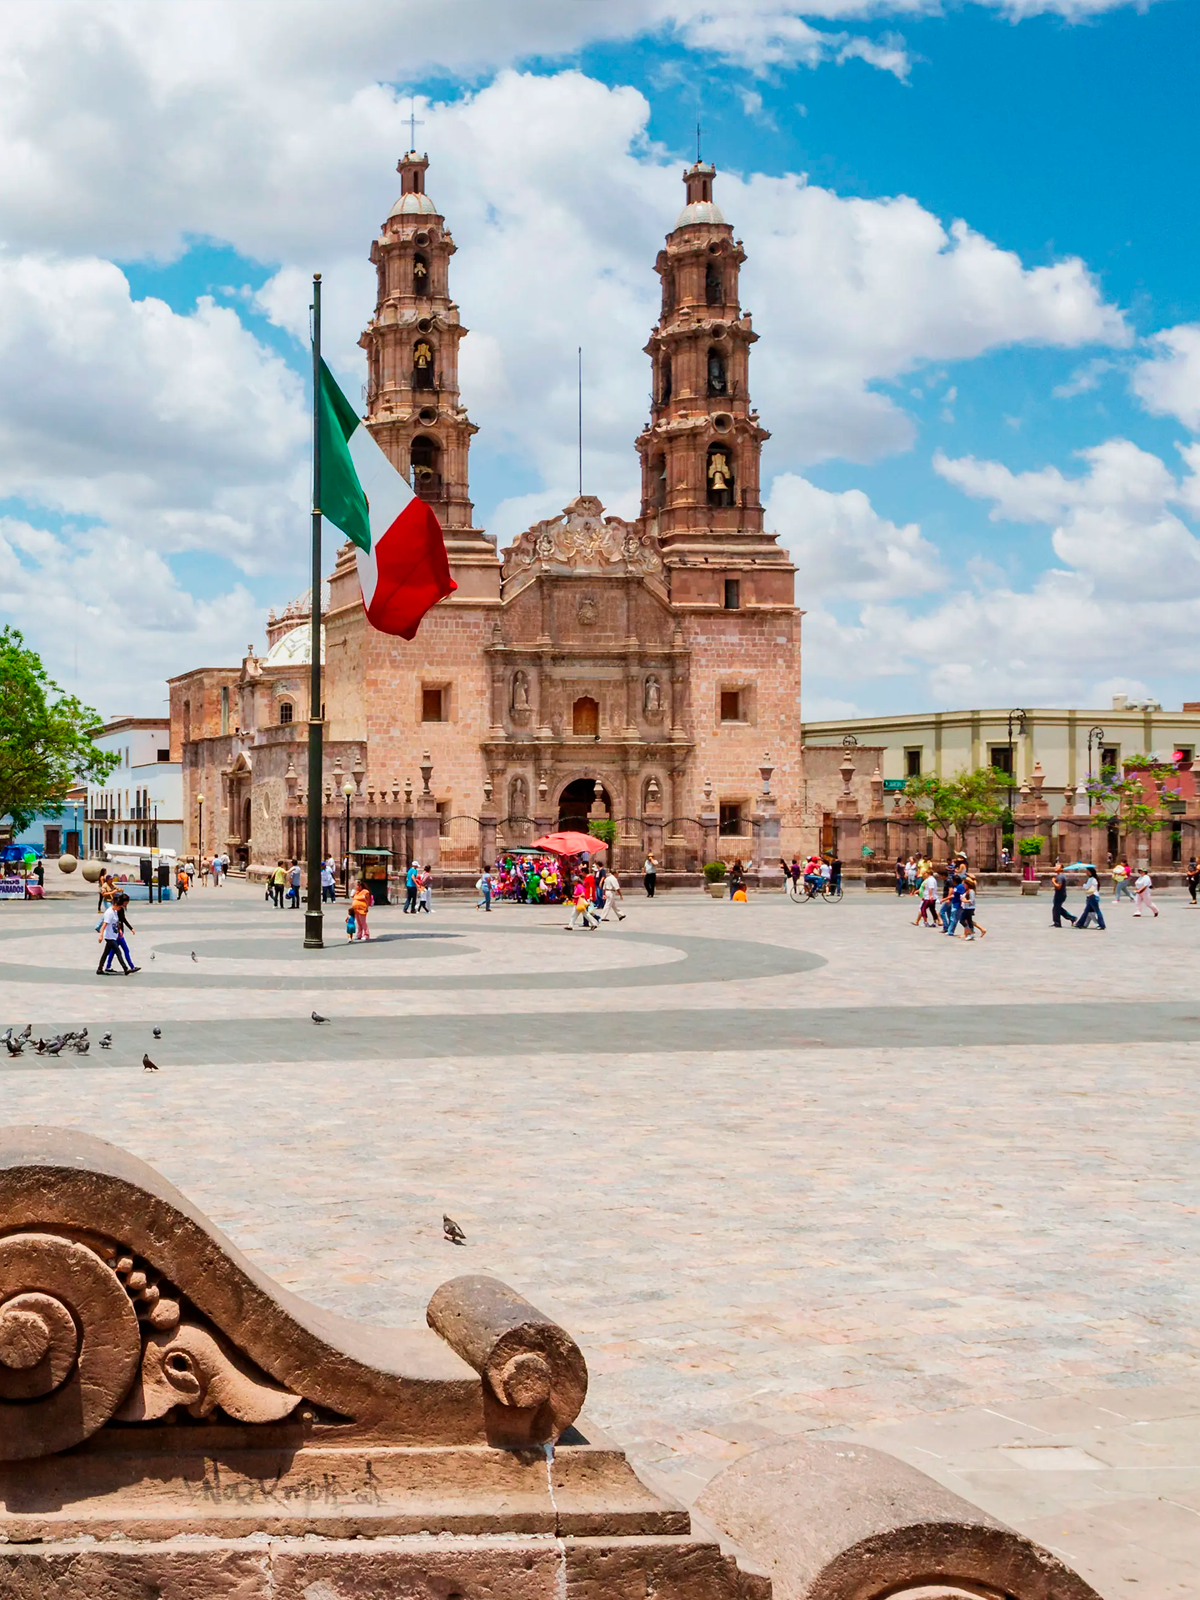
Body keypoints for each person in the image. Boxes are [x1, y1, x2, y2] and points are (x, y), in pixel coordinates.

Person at [96, 901, 131, 974]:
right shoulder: (109, 913)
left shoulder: (114, 911)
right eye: (119, 907)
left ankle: (99, 968)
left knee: (105, 953)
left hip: (113, 935)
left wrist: (119, 931)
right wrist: (101, 935)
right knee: (118, 952)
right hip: (109, 937)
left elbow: (116, 923)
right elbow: (104, 925)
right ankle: (125, 968)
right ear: (115, 904)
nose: (119, 909)